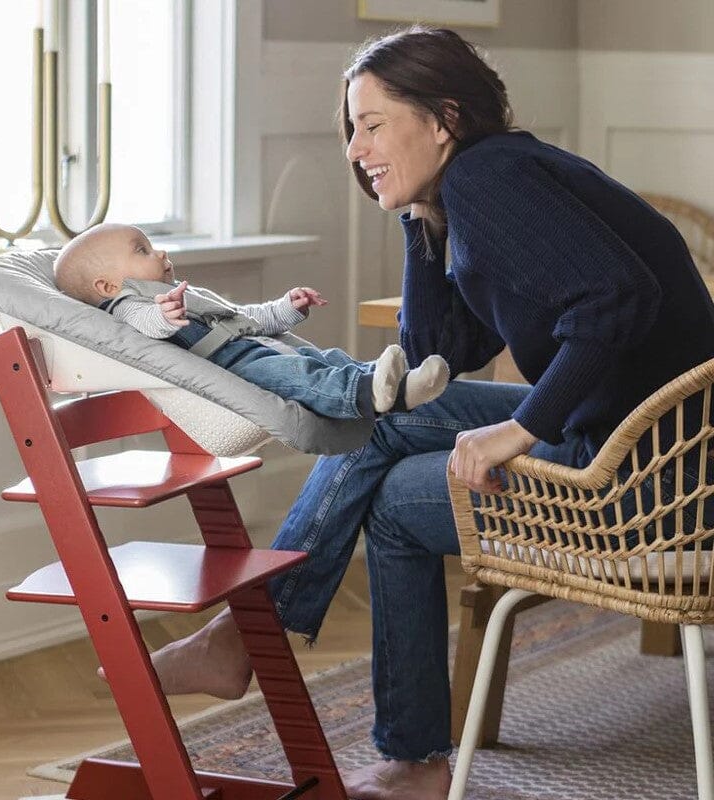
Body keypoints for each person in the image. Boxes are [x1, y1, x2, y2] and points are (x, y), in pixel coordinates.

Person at [97, 26, 714, 800]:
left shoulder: (491, 178)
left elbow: (619, 299)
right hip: (653, 447)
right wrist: (415, 214)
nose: (355, 149)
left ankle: (401, 749)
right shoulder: (488, 181)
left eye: (373, 125)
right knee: (384, 411)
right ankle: (255, 639)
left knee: (392, 506)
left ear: (444, 118)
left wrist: (522, 428)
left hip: (656, 480)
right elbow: (434, 358)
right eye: (351, 129)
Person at [53, 223, 450, 419]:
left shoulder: (189, 295)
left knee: (325, 358)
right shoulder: (126, 305)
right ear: (108, 286)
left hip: (249, 344)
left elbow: (243, 317)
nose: (160, 253)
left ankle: (398, 387)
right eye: (142, 250)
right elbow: (144, 324)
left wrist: (288, 307)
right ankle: (364, 394)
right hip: (233, 367)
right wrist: (163, 315)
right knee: (299, 374)